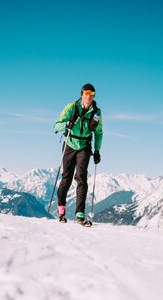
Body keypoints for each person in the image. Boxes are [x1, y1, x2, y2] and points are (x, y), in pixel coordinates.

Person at [54, 83, 103, 226]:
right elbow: (56, 125)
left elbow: (99, 132)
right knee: (66, 178)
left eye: (92, 93)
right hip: (69, 144)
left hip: (84, 147)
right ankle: (61, 210)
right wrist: (66, 124)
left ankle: (80, 215)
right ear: (81, 94)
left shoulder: (96, 112)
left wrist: (97, 150)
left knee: (81, 178)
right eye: (86, 93)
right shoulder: (72, 107)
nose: (89, 96)